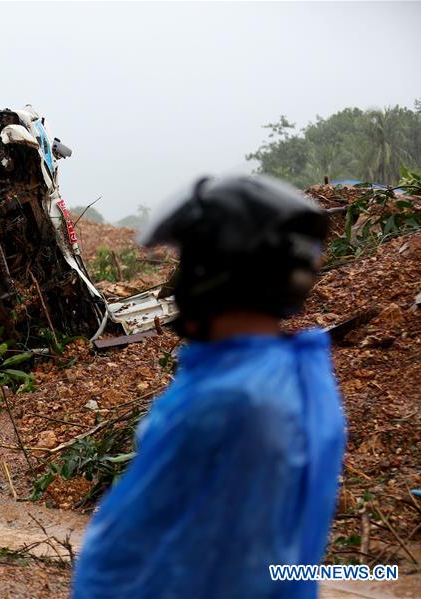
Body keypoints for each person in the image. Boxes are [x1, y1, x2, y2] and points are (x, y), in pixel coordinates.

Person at [72, 175, 347, 599]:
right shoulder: (301, 376)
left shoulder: (228, 400)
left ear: (217, 271)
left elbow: (145, 545)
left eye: (189, 261)